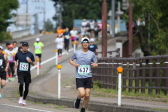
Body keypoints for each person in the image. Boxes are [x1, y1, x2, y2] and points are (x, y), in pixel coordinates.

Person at [69, 37, 98, 112]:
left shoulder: (92, 54)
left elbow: (95, 63)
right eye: (83, 42)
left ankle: (83, 108)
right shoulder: (77, 53)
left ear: (89, 44)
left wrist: (95, 64)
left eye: (86, 42)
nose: (85, 44)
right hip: (79, 77)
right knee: (82, 94)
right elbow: (70, 60)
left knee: (87, 95)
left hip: (88, 77)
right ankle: (78, 99)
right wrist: (74, 64)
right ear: (81, 44)